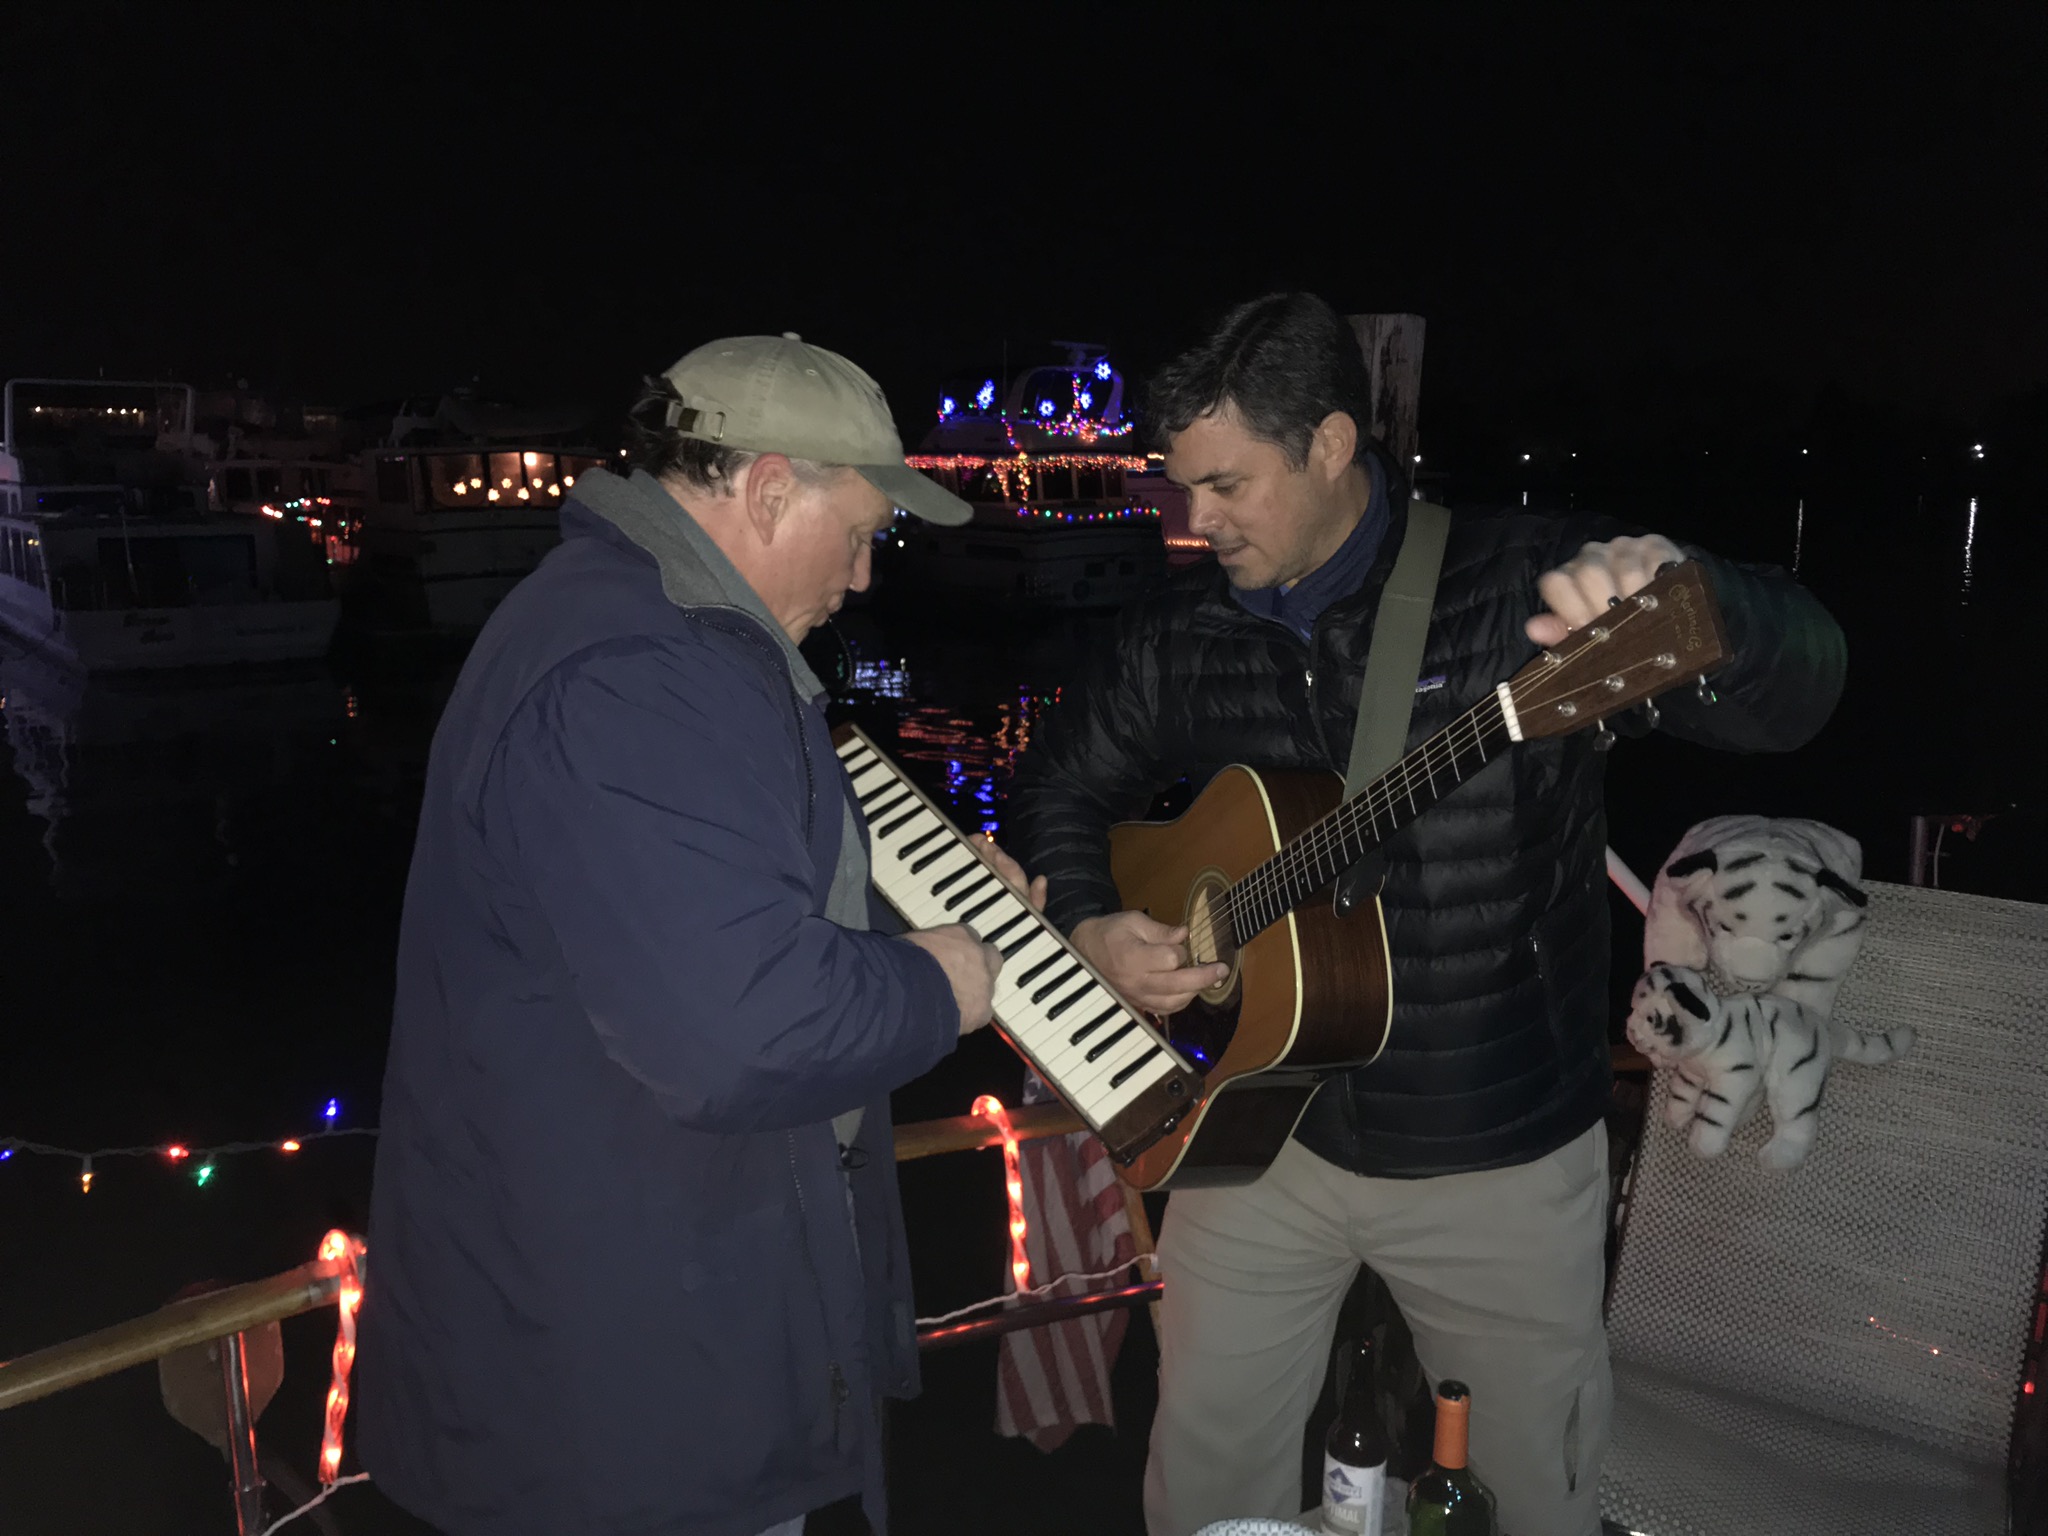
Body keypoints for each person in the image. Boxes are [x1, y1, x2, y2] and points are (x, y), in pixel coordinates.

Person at [1006, 293, 1847, 1536]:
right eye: (1183, 488)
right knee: (1203, 1467)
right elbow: (1059, 783)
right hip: (1255, 1129)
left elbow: (1801, 689)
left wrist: (1706, 608)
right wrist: (1087, 919)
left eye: (1227, 486)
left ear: (1332, 446)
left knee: (1521, 1486)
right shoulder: (1185, 635)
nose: (1197, 521)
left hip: (1492, 1151)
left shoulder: (1526, 587)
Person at [358, 334, 1037, 1536]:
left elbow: (684, 915)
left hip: (640, 1345)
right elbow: (741, 1030)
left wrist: (897, 916)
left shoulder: (640, 628)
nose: (867, 577)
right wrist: (944, 981)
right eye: (864, 532)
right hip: (620, 1402)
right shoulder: (642, 673)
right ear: (771, 490)